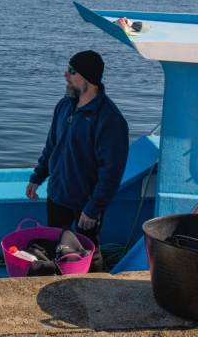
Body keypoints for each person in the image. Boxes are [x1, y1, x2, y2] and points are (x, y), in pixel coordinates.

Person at [25, 50, 129, 272]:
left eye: (72, 71)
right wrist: (37, 177)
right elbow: (51, 146)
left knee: (89, 251)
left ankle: (96, 287)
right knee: (56, 248)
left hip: (85, 203)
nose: (65, 75)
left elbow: (111, 171)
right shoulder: (64, 106)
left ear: (88, 78)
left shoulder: (110, 119)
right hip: (57, 194)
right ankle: (59, 285)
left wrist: (93, 208)